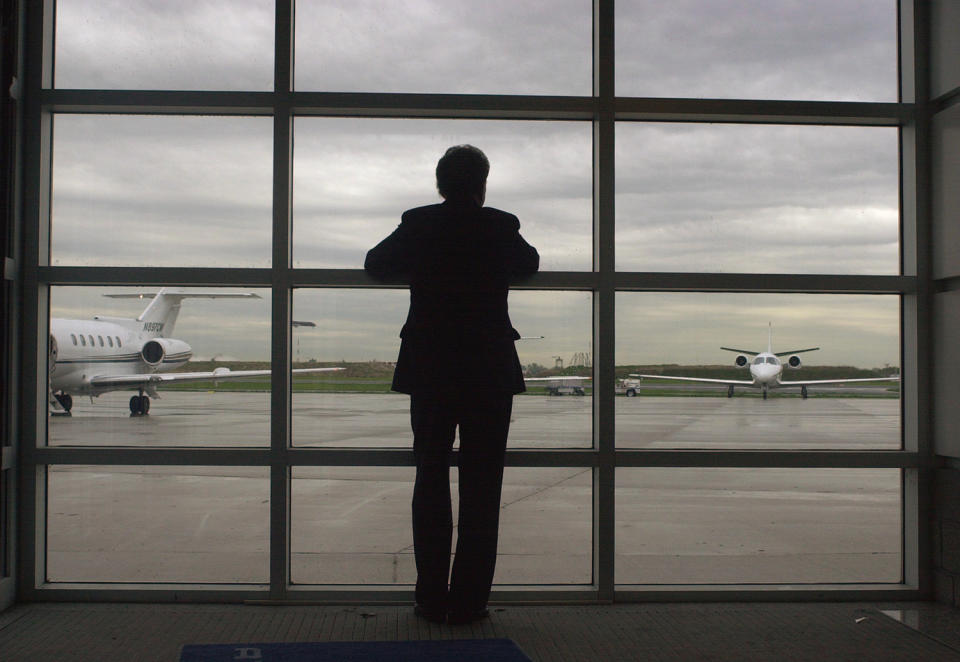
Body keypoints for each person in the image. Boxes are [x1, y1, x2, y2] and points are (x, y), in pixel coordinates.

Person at [364, 145, 539, 625]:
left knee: (431, 476)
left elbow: (375, 263)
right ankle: (470, 599)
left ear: (440, 184)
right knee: (483, 486)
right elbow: (530, 264)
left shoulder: (418, 222)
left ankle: (430, 596)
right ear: (482, 184)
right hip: (487, 367)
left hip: (432, 364)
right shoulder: (500, 224)